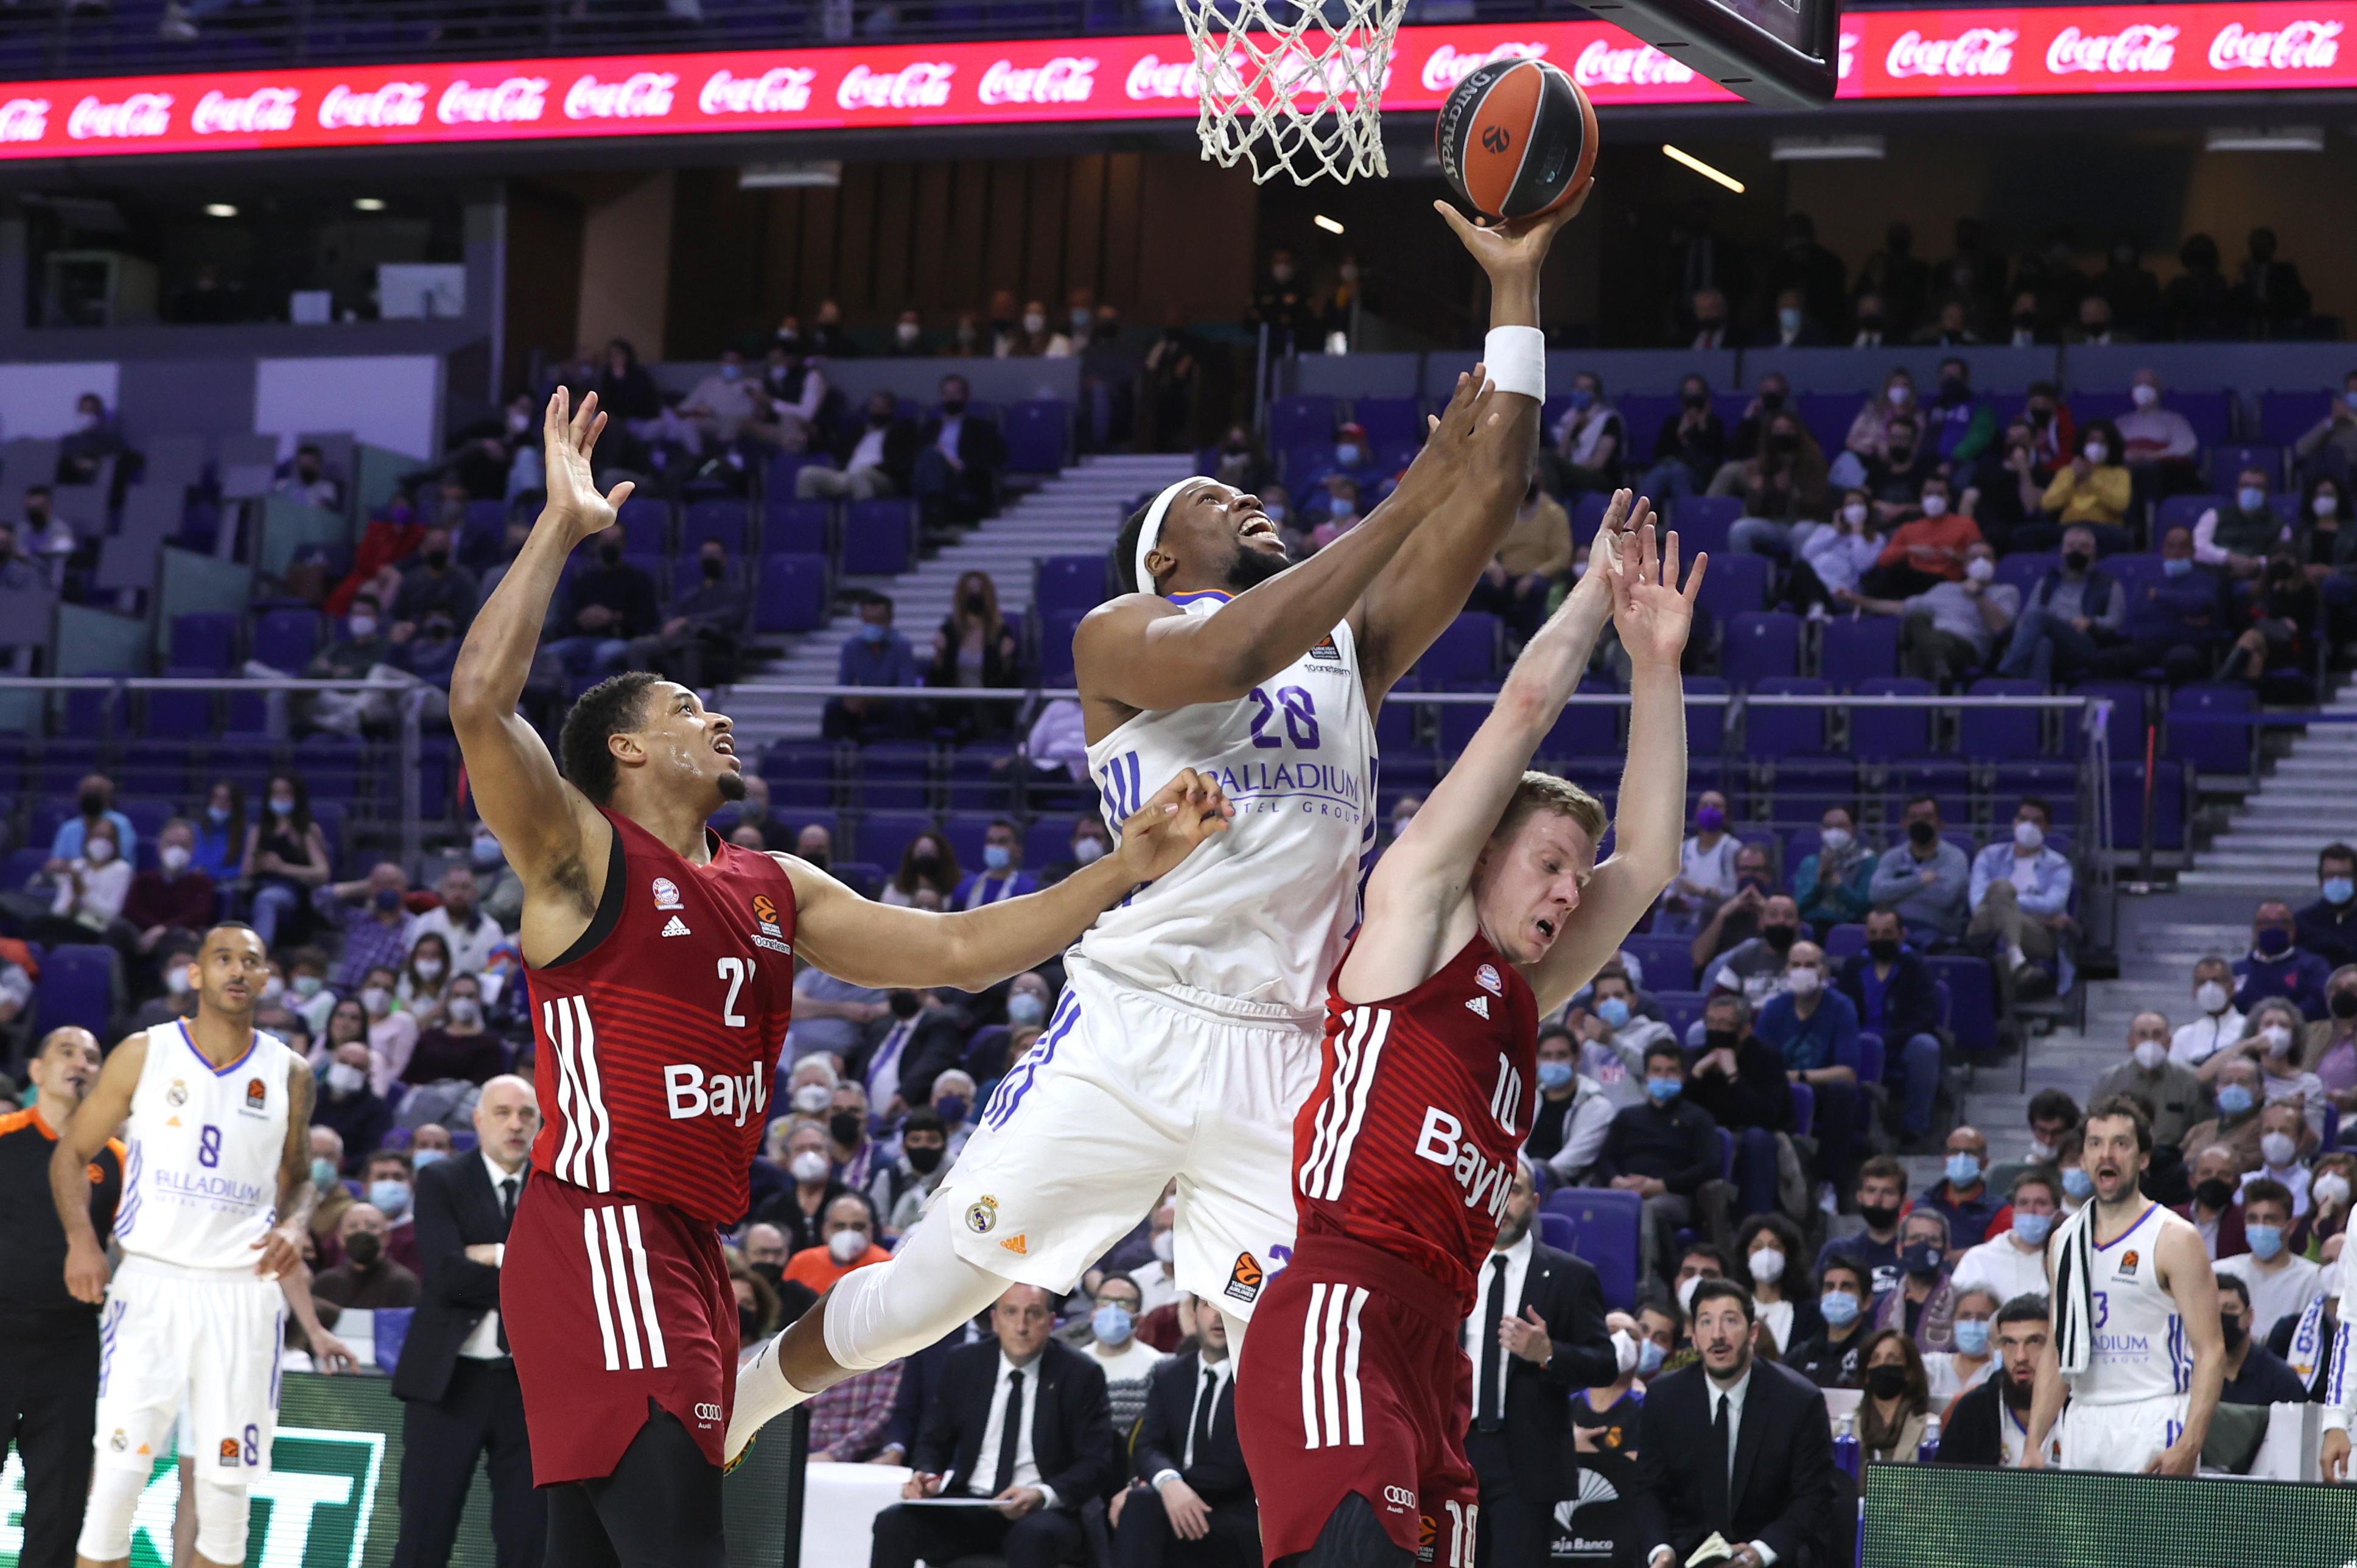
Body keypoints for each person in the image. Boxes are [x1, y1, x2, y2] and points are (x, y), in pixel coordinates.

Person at [737, 202, 1588, 1469]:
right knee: (927, 1296)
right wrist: (1412, 492)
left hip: (1285, 1050)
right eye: (1208, 497)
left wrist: (1515, 293)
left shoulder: (1348, 650)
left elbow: (1496, 489)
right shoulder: (1120, 636)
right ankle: (747, 1395)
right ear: (1160, 558)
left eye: (1242, 490)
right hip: (1135, 1025)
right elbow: (1235, 650)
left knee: (1321, 1347)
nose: (1241, 495)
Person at [447, 388, 1229, 1566]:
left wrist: (1124, 867)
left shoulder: (775, 885)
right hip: (604, 1226)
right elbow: (477, 703)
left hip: (688, 1245)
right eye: (686, 709)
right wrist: (560, 527)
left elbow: (960, 952)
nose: (716, 719)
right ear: (624, 748)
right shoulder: (582, 858)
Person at [1231, 499, 1682, 1568]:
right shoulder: (1420, 924)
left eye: (1577, 874)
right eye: (1549, 863)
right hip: (1343, 1305)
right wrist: (1596, 593)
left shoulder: (1523, 992)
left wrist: (1657, 667)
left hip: (1441, 1349)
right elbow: (1524, 706)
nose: (1571, 890)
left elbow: (1651, 862)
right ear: (1482, 855)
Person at [50, 923, 313, 1568]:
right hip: (150, 1284)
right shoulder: (146, 1051)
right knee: (114, 1489)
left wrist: (296, 1224)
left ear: (265, 978)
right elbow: (71, 1153)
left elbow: (302, 1177)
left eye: (250, 961)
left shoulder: (290, 1071)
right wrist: (82, 1240)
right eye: (222, 958)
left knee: (225, 1505)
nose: (237, 970)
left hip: (241, 1293)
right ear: (195, 974)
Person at [388, 1071, 542, 1568]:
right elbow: (446, 1277)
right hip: (447, 1382)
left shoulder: (557, 1189)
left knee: (529, 1540)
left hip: (531, 1388)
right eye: (503, 1112)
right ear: (477, 1120)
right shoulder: (442, 1179)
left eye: (526, 1114)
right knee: (423, 1533)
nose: (515, 1124)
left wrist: (493, 1254)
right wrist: (531, 1267)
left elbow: (571, 1278)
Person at [2025, 1096, 2224, 1474]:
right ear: (2083, 1158)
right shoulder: (2064, 1240)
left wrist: (2190, 1443)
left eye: (2120, 1143)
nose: (2107, 1154)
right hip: (2083, 1418)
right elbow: (2056, 1348)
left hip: (2153, 1414)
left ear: (2143, 1158)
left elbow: (2211, 1350)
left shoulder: (2174, 1238)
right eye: (2095, 1143)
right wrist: (2034, 1442)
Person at [867, 1284, 1113, 1568]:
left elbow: (1095, 1464)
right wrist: (927, 1475)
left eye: (1033, 1314)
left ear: (1050, 1321)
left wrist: (1041, 1494)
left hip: (1043, 1510)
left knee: (1033, 1536)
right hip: (972, 1503)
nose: (1021, 1327)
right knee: (893, 1523)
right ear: (995, 1320)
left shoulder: (1081, 1374)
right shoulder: (964, 1363)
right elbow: (933, 1441)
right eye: (1011, 1313)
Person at [0, 1029, 122, 1568]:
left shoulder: (117, 1157)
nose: (81, 1064)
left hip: (72, 1343)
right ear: (37, 1071)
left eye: (92, 1057)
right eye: (66, 1053)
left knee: (61, 1502)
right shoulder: (6, 1136)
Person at [1459, 1164, 1619, 1568]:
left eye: (1513, 1190)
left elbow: (1605, 1365)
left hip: (1526, 1459)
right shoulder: (1454, 1270)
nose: (1502, 1202)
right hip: (1454, 1449)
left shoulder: (1570, 1275)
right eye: (1493, 1190)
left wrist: (1549, 1353)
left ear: (1534, 1202)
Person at [1627, 1281, 1837, 1568]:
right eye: (1706, 1322)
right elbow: (1649, 1489)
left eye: (1730, 1321)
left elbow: (1815, 1496)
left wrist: (1761, 1553)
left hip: (1767, 1554)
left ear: (1753, 1333)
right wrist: (1661, 1551)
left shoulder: (1799, 1401)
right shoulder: (1664, 1397)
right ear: (1695, 1338)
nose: (1717, 1335)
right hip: (1688, 1555)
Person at [1112, 1304, 1254, 1568]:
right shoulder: (1169, 1374)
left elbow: (1240, 1464)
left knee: (1142, 1501)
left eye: (1227, 1305)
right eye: (1208, 1304)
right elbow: (1148, 1445)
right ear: (1193, 1315)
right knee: (1140, 1503)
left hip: (1232, 1509)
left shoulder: (1259, 1377)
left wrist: (1170, 1484)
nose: (1218, 1314)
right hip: (1170, 1503)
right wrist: (1168, 1482)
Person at [1602, 1041, 1727, 1286]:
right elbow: (1605, 1159)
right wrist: (1615, 1180)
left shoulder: (1698, 1117)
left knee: (1649, 1209)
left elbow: (1710, 1165)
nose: (1664, 1076)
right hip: (1626, 1192)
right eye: (1657, 1071)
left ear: (1682, 1075)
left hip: (1675, 1197)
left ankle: (1648, 1284)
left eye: (1671, 1071)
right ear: (1647, 1075)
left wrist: (1661, 1184)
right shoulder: (1628, 1117)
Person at [1754, 942, 1860, 1195]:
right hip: (1780, 1090)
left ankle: (1828, 1183)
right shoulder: (1774, 1008)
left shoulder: (1841, 1007)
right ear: (1787, 970)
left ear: (1823, 970)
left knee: (1842, 1092)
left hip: (1823, 1091)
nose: (1802, 971)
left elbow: (1848, 1073)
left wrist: (1798, 1077)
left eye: (1810, 965)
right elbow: (1757, 1063)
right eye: (1796, 965)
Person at [1681, 993, 1795, 1223]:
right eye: (1710, 1022)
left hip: (1754, 1134)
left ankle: (1756, 1224)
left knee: (1757, 1139)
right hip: (1709, 1136)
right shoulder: (1696, 1057)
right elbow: (1679, 1111)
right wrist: (1697, 1074)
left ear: (1744, 1031)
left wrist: (1734, 1077)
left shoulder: (1767, 1058)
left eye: (1724, 1024)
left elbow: (1768, 1116)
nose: (1715, 1030)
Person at [1934, 1295, 2053, 1466]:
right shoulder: (1974, 1410)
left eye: (2035, 1342)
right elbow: (1946, 1479)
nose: (2020, 1357)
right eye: (2010, 1343)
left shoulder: (2077, 1408)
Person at [2217, 1178, 2322, 1339]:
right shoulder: (2221, 1272)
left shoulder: (2313, 1278)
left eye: (2271, 1219)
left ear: (2291, 1226)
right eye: (2253, 1219)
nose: (2260, 1226)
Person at [2089, 1011, 2207, 1150]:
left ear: (2169, 1043)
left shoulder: (2190, 1080)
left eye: (2157, 1035)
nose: (2150, 1042)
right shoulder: (2109, 1080)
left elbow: (2205, 1127)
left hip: (2173, 1157)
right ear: (2130, 1042)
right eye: (2143, 1035)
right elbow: (2093, 1124)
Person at [1868, 796, 1972, 947]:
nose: (1920, 822)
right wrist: (1920, 880)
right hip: (1891, 929)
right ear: (1904, 824)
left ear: (1940, 824)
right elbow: (1876, 893)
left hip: (1936, 930)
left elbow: (1945, 897)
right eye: (1914, 817)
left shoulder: (1955, 857)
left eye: (1927, 817)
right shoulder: (1892, 856)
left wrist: (1894, 892)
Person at [1953, 1169, 2063, 1307]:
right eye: (2023, 1203)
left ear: (2057, 1214)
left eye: (2041, 1203)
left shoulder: (2067, 1258)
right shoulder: (1979, 1258)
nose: (2031, 1210)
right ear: (2013, 1211)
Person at [2216, 1272, 2311, 1406]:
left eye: (2231, 1309)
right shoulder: (2193, 1374)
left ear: (2250, 1315)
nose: (2221, 1318)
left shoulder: (2280, 1378)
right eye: (2213, 1311)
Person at [1877, 1208, 1959, 1353]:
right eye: (1914, 1238)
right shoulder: (1883, 1308)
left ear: (1946, 1252)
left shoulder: (1961, 1304)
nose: (1922, 1245)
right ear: (1899, 1249)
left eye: (1932, 1240)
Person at [312, 1202, 421, 1310]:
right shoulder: (325, 1284)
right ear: (340, 1238)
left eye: (371, 1226)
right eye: (353, 1226)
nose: (362, 1231)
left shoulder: (403, 1285)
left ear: (386, 1237)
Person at [1786, 1256, 1874, 1389]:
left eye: (1846, 1287)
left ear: (1867, 1302)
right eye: (1830, 1287)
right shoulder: (1802, 1354)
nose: (1836, 1294)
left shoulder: (1874, 1351)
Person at [2236, 900, 2331, 1021]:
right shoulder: (2237, 971)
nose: (2272, 928)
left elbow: (2320, 1002)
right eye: (2265, 923)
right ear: (2254, 930)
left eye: (2280, 923)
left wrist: (2283, 1020)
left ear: (2293, 930)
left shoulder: (2314, 967)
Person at [785, 1193, 892, 1295]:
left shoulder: (886, 1266)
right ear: (825, 1230)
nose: (848, 1233)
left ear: (871, 1230)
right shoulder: (801, 1263)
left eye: (858, 1227)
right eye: (839, 1226)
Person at [1791, 807, 1875, 931]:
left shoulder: (1867, 860)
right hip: (1812, 926)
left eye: (1841, 826)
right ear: (1821, 830)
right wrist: (1818, 884)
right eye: (1828, 827)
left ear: (1854, 829)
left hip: (1849, 928)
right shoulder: (1810, 863)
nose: (1834, 832)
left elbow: (1862, 907)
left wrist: (1834, 880)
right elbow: (1797, 908)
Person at [1857, 1329, 1933, 1461]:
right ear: (1866, 1373)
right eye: (1875, 1359)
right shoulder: (1844, 1428)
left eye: (1892, 1359)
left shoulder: (1929, 1428)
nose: (1882, 1364)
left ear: (1909, 1372)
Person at [1922, 1127, 2000, 1249]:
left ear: (1985, 1163)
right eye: (1955, 1152)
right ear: (1944, 1160)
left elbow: (1994, 1254)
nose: (1961, 1159)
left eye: (1970, 1153)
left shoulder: (2000, 1211)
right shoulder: (1922, 1204)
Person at [951, 821, 1037, 910]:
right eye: (990, 841)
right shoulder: (966, 887)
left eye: (1002, 842)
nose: (995, 847)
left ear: (1018, 850)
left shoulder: (1030, 890)